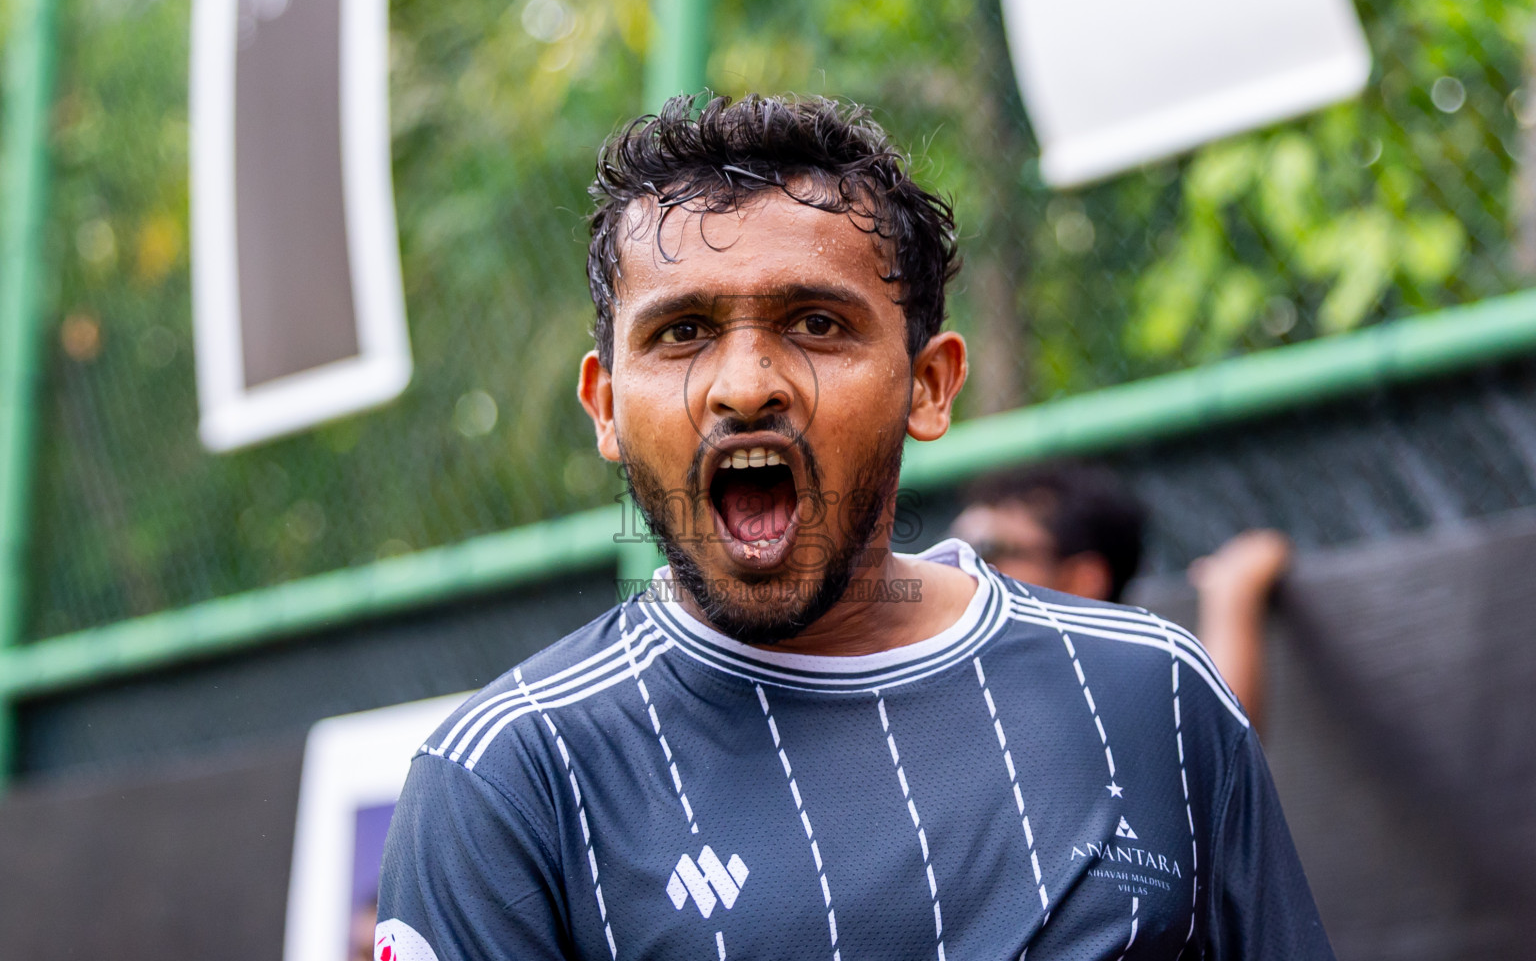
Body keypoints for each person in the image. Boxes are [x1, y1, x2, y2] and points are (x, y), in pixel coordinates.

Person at [375, 95, 1332, 961]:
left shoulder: (1156, 694)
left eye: (817, 323)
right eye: (682, 332)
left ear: (929, 383)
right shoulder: (504, 779)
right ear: (607, 406)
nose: (747, 384)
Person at [950, 464, 1290, 732]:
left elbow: (1219, 738)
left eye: (987, 550)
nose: (957, 565)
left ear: (1082, 580)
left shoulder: (1104, 693)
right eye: (954, 547)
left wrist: (1233, 594)